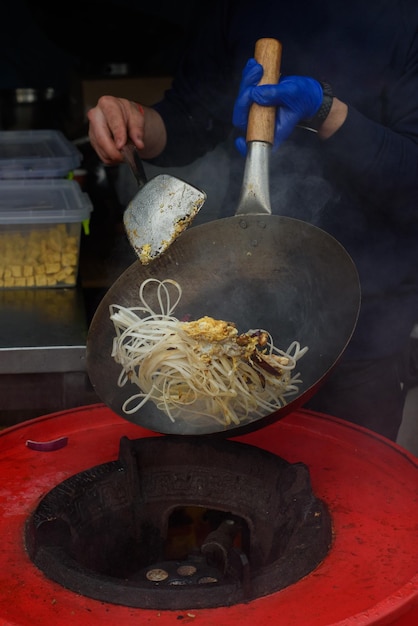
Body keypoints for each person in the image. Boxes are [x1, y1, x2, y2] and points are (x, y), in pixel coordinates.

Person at [87, 0, 418, 442]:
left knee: (348, 487)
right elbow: (192, 113)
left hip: (364, 319)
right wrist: (138, 124)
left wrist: (327, 112)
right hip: (240, 291)